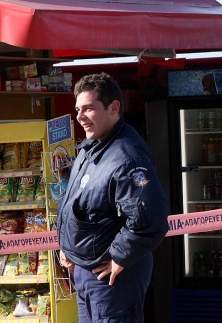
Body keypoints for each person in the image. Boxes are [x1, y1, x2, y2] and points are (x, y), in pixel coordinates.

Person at [56, 72, 169, 323]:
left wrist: (120, 257)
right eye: (77, 109)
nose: (80, 117)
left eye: (88, 109)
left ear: (114, 107)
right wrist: (67, 249)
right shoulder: (93, 146)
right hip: (87, 273)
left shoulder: (127, 155)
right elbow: (78, 205)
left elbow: (150, 218)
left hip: (112, 279)